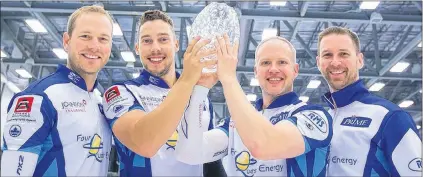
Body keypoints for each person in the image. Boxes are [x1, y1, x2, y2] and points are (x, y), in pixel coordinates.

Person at [175, 35, 333, 177]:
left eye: (282, 62)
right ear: (256, 71)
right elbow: (189, 154)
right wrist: (200, 89)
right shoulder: (235, 123)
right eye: (265, 63)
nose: (273, 69)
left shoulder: (313, 116)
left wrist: (229, 79)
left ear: (295, 70)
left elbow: (264, 145)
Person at [101, 10, 225, 177]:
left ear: (175, 44)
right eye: (147, 41)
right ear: (137, 48)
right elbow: (145, 143)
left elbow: (209, 162)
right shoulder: (121, 93)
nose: (155, 48)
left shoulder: (199, 95)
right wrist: (187, 80)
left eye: (163, 39)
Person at [1, 5, 113, 176]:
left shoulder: (101, 102)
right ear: (66, 41)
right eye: (85, 36)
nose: (94, 46)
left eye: (103, 39)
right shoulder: (38, 98)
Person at [316, 26, 422, 176]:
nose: (335, 62)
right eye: (327, 55)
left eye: (344, 54)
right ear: (318, 62)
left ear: (359, 60)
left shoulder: (389, 116)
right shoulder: (324, 119)